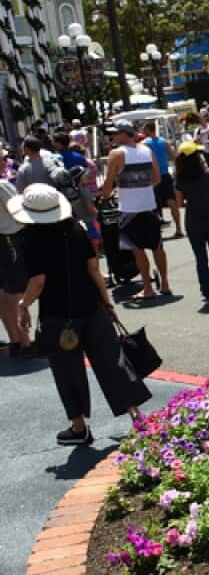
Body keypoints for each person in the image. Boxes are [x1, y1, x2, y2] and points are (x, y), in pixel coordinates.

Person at [10, 184, 150, 445]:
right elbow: (94, 269)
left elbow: (38, 281)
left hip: (58, 314)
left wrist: (23, 305)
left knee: (67, 371)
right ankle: (136, 416)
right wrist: (107, 304)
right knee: (112, 362)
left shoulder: (30, 240)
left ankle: (79, 427)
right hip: (92, 306)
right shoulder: (77, 229)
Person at [100, 120, 171, 300]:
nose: (113, 137)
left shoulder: (116, 154)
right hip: (149, 205)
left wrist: (107, 196)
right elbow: (157, 178)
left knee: (137, 250)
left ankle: (147, 287)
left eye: (115, 134)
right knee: (157, 247)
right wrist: (142, 187)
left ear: (124, 134)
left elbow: (108, 182)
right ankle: (165, 284)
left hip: (129, 209)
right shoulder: (147, 150)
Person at [174, 141, 209, 304]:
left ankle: (208, 292)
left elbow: (179, 203)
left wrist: (192, 201)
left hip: (193, 220)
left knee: (201, 258)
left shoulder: (180, 179)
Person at [0, 180, 35, 357]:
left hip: (5, 238)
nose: (4, 165)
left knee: (5, 291)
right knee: (14, 292)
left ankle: (16, 340)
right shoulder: (1, 185)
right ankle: (23, 342)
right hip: (10, 237)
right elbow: (17, 210)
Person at [142, 123, 181, 236]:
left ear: (148, 130)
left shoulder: (144, 144)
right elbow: (174, 157)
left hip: (153, 176)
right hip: (165, 175)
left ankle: (156, 233)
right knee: (171, 202)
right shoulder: (164, 142)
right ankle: (179, 229)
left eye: (144, 130)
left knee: (153, 205)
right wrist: (175, 170)